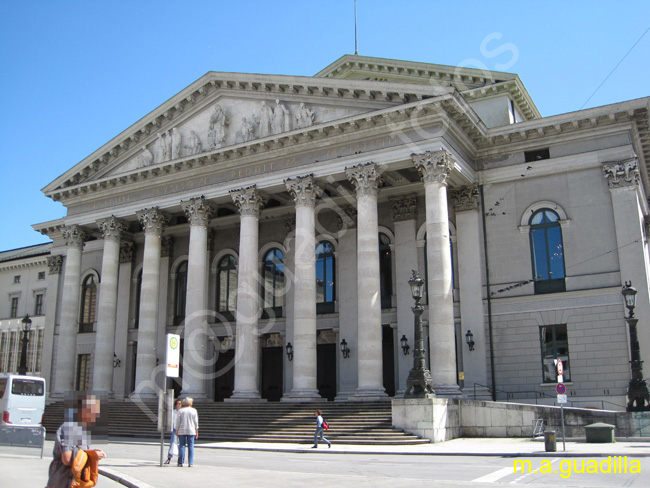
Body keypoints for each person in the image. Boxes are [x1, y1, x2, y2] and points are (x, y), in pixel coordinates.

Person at [46, 394, 106, 488]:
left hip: (74, 482)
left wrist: (92, 454)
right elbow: (67, 459)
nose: (96, 415)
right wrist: (92, 456)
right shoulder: (71, 428)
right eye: (93, 411)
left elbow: (80, 454)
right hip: (63, 482)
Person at [175, 397, 199, 467]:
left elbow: (178, 421)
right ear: (190, 403)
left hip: (182, 430)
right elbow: (196, 422)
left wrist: (177, 430)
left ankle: (180, 462)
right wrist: (196, 431)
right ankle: (190, 463)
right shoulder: (194, 410)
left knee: (182, 446)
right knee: (191, 446)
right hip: (191, 430)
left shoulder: (181, 411)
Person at [164, 398, 183, 464]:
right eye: (177, 403)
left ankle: (180, 459)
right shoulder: (173, 412)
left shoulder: (183, 412)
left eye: (180, 404)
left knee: (181, 445)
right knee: (172, 443)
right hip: (175, 429)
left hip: (182, 429)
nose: (178, 405)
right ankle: (169, 458)